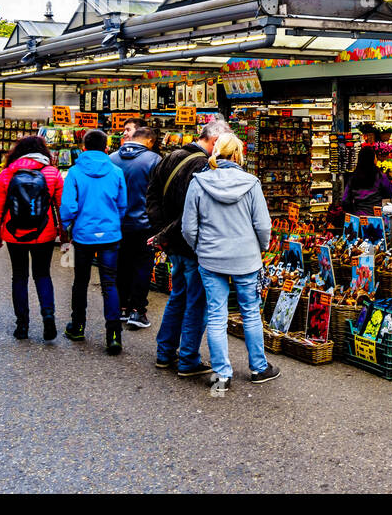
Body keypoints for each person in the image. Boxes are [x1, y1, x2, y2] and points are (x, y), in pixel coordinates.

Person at [182, 132, 278, 391]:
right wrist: (260, 249)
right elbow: (263, 226)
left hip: (211, 259)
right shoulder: (251, 183)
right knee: (250, 312)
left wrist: (200, 249)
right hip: (246, 259)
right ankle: (259, 368)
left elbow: (188, 228)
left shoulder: (199, 182)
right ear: (237, 155)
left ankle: (222, 374)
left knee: (216, 315)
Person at [146, 118, 229, 376]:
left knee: (178, 296)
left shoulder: (170, 156)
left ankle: (164, 353)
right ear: (215, 141)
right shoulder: (204, 165)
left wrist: (162, 233)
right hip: (193, 244)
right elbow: (195, 212)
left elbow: (152, 196)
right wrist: (168, 234)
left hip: (173, 244)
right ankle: (188, 359)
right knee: (197, 302)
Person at [60, 129, 128, 355]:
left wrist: (67, 226)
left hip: (83, 235)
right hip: (110, 235)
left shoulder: (75, 172)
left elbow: (68, 208)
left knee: (80, 281)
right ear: (106, 147)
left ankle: (78, 326)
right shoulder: (117, 171)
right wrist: (111, 223)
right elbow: (122, 205)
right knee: (110, 283)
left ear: (83, 147)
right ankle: (114, 336)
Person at [0, 135, 64, 341]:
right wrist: (65, 236)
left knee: (19, 277)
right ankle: (48, 317)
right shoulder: (52, 173)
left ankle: (22, 325)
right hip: (44, 232)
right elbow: (62, 208)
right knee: (43, 275)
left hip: (14, 234)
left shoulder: (7, 174)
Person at [111, 125, 161, 329]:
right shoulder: (154, 160)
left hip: (117, 223)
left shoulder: (112, 158)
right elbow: (159, 194)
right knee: (142, 266)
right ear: (149, 141)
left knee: (121, 265)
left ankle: (121, 307)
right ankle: (137, 311)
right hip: (144, 224)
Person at [340, 145, 392, 216]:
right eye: (375, 157)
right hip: (376, 218)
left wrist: (353, 211)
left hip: (358, 217)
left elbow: (345, 201)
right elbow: (391, 193)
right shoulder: (380, 176)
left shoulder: (353, 178)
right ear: (372, 159)